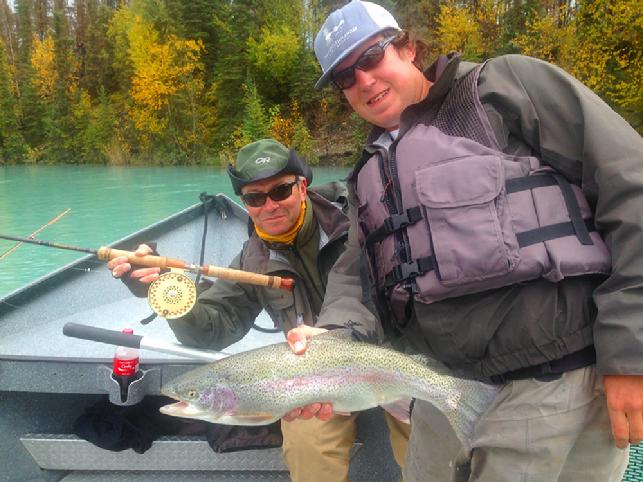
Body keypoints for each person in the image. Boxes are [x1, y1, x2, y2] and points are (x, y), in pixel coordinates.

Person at [286, 1, 643, 481]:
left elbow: (632, 188)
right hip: (443, 389)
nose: (363, 80)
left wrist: (630, 352)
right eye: (344, 77)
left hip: (557, 380)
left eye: (372, 57)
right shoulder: (370, 171)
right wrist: (332, 342)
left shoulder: (505, 88)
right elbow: (357, 274)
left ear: (408, 47)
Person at [107, 137, 410, 482]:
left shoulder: (361, 218)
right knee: (305, 443)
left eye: (280, 191)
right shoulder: (253, 259)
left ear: (302, 185)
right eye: (254, 197)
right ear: (244, 203)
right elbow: (212, 328)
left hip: (394, 351)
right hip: (313, 379)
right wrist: (165, 292)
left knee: (424, 444)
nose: (270, 206)